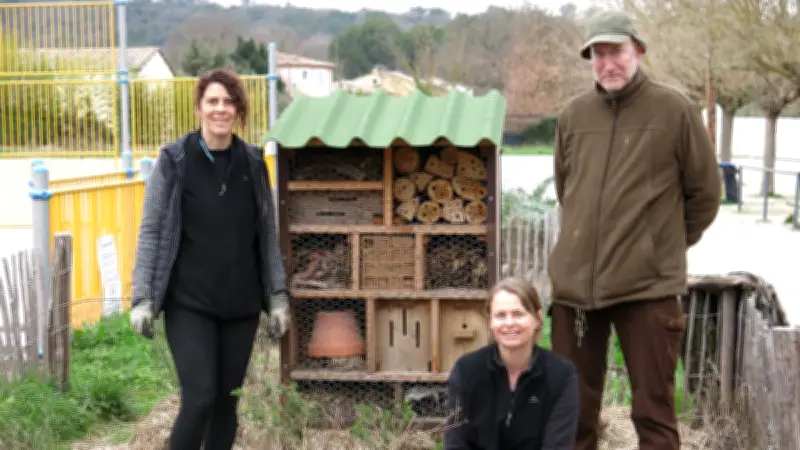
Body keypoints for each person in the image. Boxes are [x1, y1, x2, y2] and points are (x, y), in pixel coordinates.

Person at [548, 9, 721, 450]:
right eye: (598, 54)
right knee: (571, 414)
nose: (608, 63)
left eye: (617, 52)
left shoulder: (675, 110)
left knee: (653, 414)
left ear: (638, 51)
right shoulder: (572, 115)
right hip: (575, 291)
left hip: (647, 288)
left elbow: (705, 194)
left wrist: (657, 247)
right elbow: (567, 190)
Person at [128, 67, 291, 450]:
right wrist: (143, 298)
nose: (221, 108)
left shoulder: (252, 162)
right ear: (199, 108)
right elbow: (151, 230)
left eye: (229, 101)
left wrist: (277, 296)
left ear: (238, 110)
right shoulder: (174, 160)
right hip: (190, 303)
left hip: (241, 306)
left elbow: (267, 233)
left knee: (225, 404)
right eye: (213, 101)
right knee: (200, 396)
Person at [444, 277, 580, 450]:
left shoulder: (561, 375)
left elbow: (558, 445)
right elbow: (455, 442)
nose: (509, 323)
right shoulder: (466, 371)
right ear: (490, 321)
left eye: (518, 314)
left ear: (538, 319)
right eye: (500, 315)